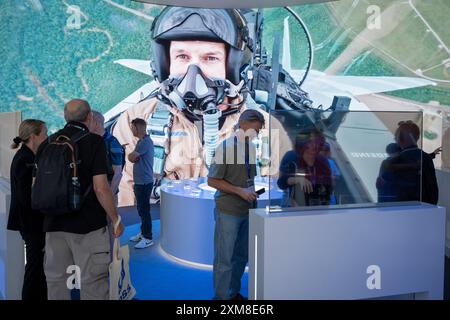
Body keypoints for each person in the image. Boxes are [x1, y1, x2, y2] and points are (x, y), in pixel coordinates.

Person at [111, 7, 291, 207]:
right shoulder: (137, 119)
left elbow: (276, 201)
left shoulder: (266, 128)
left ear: (235, 67)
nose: (193, 73)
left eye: (210, 58)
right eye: (182, 57)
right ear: (164, 63)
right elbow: (126, 204)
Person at [36, 99, 124, 300]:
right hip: (87, 224)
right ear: (89, 117)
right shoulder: (94, 142)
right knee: (92, 281)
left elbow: (36, 185)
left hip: (52, 224)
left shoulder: (47, 143)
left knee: (56, 281)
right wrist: (115, 218)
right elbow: (101, 188)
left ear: (65, 117)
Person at [207, 109, 264, 300]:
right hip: (228, 211)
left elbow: (249, 178)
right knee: (225, 260)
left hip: (247, 210)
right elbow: (213, 181)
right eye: (256, 130)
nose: (258, 134)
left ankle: (233, 294)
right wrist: (241, 191)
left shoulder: (251, 147)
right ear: (243, 125)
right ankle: (221, 298)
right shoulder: (226, 148)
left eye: (259, 131)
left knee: (240, 257)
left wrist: (251, 194)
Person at [7, 119, 48, 300]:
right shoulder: (25, 159)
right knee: (34, 266)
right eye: (44, 133)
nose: (46, 137)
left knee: (38, 265)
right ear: (34, 136)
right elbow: (26, 196)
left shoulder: (29, 157)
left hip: (31, 220)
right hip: (30, 222)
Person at [388, 120, 438, 204]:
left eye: (396, 136)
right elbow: (433, 190)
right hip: (427, 209)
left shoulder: (397, 160)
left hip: (403, 210)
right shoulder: (426, 158)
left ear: (400, 139)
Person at [277, 130, 333, 207]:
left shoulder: (323, 160)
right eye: (310, 142)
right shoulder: (291, 156)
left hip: (317, 208)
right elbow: (281, 183)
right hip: (293, 207)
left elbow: (328, 187)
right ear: (302, 143)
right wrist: (297, 179)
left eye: (317, 142)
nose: (314, 145)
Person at [128, 118, 155, 249]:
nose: (131, 129)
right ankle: (144, 232)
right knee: (141, 209)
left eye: (132, 127)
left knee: (144, 210)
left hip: (144, 182)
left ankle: (148, 237)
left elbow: (132, 157)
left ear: (138, 128)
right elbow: (133, 157)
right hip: (142, 181)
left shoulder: (144, 143)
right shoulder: (142, 142)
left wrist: (131, 156)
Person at [91, 110, 124, 200]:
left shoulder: (112, 143)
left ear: (96, 123)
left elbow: (118, 174)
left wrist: (109, 196)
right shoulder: (92, 141)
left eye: (89, 121)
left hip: (107, 188)